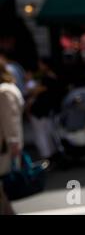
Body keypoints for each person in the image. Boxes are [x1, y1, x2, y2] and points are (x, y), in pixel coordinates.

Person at [0, 60, 24, 214]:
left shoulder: (4, 91)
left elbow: (10, 119)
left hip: (3, 146)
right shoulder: (8, 88)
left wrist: (14, 142)